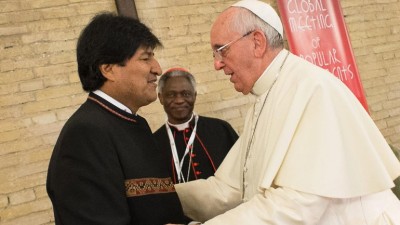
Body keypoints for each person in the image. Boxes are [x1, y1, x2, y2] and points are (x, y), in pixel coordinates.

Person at [173, 1, 400, 224]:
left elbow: (295, 206)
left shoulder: (312, 89)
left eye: (221, 50)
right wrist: (161, 195)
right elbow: (229, 190)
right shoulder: (265, 98)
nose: (217, 64)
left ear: (257, 42)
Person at [46, 13, 186, 225]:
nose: (157, 68)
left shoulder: (134, 123)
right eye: (145, 58)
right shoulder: (85, 134)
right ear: (108, 69)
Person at [154, 67, 238, 184]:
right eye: (171, 95)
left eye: (186, 94)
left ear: (194, 95)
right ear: (161, 98)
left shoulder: (221, 129)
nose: (179, 100)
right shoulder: (153, 143)